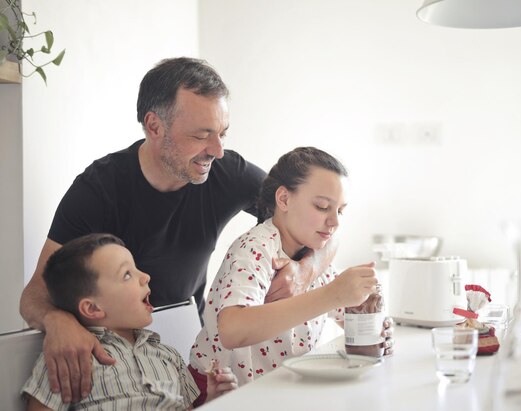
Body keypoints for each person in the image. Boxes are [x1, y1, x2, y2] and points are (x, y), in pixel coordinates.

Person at [19, 57, 334, 404]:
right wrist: (55, 321)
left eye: (222, 133)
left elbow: (325, 224)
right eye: (201, 135)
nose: (217, 150)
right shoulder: (98, 189)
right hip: (115, 353)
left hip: (184, 354)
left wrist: (306, 270)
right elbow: (35, 294)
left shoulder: (226, 171)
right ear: (154, 126)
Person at [188, 147, 393, 402]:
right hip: (220, 396)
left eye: (340, 211)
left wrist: (377, 329)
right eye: (321, 207)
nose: (335, 222)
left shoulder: (312, 258)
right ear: (283, 199)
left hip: (280, 393)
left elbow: (350, 313)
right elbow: (232, 329)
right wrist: (332, 295)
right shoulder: (254, 250)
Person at [21, 233, 238, 410]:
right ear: (93, 308)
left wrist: (213, 399)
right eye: (127, 275)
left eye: (136, 268)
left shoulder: (168, 356)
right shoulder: (69, 357)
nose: (145, 276)